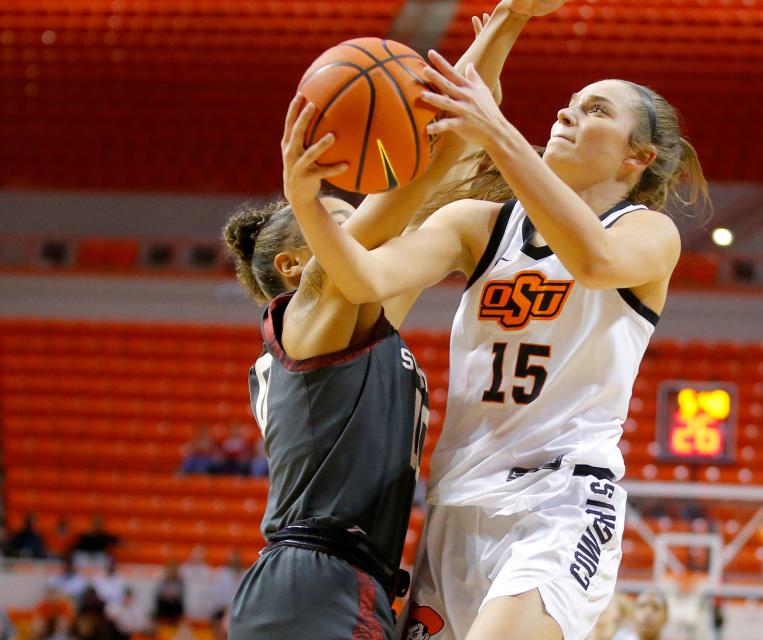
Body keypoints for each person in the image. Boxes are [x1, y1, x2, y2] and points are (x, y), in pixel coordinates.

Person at [283, 3, 708, 636]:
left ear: (637, 157)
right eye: (570, 102)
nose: (569, 112)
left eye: (596, 110)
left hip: (560, 500)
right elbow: (363, 278)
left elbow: (590, 260)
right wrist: (306, 201)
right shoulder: (479, 225)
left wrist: (497, 130)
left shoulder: (647, 233)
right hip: (456, 503)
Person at [225, 5, 551, 639]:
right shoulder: (314, 309)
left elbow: (446, 168)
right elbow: (432, 166)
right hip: (315, 580)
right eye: (343, 220)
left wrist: (501, 32)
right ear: (296, 265)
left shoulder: (351, 317)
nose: (364, 228)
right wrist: (509, 20)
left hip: (331, 580)